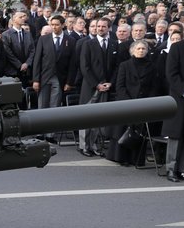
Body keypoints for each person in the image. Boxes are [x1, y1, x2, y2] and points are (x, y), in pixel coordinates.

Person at [106, 40, 158, 167]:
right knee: (123, 130)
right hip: (126, 103)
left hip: (143, 104)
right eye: (138, 48)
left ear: (147, 51)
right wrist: (129, 101)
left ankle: (136, 159)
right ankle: (121, 157)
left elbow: (154, 86)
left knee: (139, 131)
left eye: (143, 49)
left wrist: (147, 101)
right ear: (133, 51)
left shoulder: (152, 66)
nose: (141, 51)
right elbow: (120, 86)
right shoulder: (125, 65)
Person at [79, 17, 119, 156]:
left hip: (106, 87)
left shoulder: (114, 44)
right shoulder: (88, 44)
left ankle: (94, 145)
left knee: (99, 118)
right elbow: (85, 67)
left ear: (109, 28)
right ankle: (84, 146)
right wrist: (96, 84)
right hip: (91, 87)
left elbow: (116, 67)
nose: (100, 29)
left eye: (103, 26)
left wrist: (111, 83)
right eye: (98, 26)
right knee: (86, 117)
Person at [162, 23, 184, 182]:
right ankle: (171, 169)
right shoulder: (178, 47)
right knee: (176, 135)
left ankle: (182, 170)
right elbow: (171, 74)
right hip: (181, 98)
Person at [31, 15, 76, 122]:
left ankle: (51, 134)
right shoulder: (43, 39)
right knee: (42, 105)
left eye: (57, 25)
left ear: (63, 25)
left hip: (60, 78)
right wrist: (36, 80)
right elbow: (37, 60)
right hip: (44, 77)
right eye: (52, 25)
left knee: (54, 106)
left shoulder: (70, 40)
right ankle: (40, 130)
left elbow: (72, 64)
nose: (54, 27)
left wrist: (69, 82)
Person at [1, 10, 35, 88]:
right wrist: (19, 65)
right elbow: (8, 52)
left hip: (26, 71)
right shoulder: (6, 35)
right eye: (20, 17)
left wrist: (27, 63)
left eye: (23, 17)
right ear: (14, 19)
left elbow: (32, 50)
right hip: (12, 71)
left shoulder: (28, 34)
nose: (23, 18)